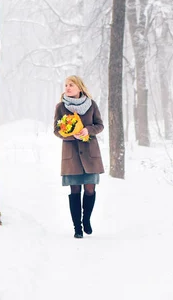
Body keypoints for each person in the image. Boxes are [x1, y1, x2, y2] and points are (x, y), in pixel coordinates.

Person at [53, 76, 104, 238]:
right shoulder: (61, 107)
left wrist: (88, 130)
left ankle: (86, 219)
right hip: (71, 155)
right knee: (75, 190)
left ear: (79, 88)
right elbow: (56, 130)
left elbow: (100, 125)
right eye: (66, 85)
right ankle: (77, 228)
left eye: (71, 85)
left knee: (90, 189)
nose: (67, 88)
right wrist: (71, 135)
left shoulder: (91, 105)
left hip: (90, 153)